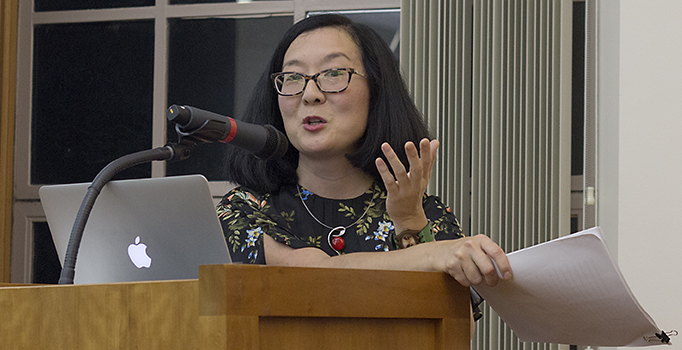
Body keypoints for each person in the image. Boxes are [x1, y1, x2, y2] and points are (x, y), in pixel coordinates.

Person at [217, 14, 511, 298]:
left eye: (333, 74)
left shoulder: (425, 214)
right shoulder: (244, 210)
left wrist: (409, 223)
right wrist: (431, 253)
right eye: (293, 77)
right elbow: (315, 277)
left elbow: (459, 330)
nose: (310, 94)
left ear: (376, 89)